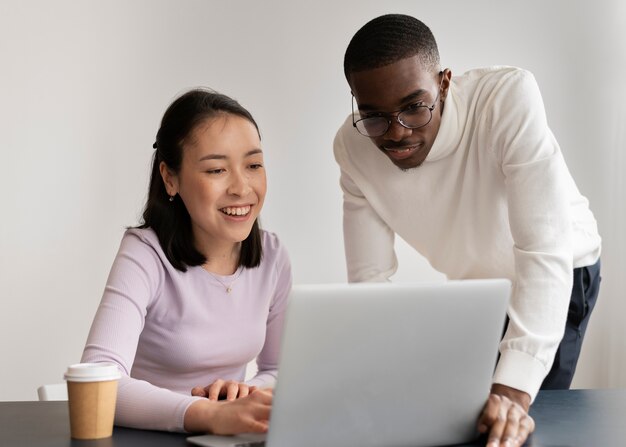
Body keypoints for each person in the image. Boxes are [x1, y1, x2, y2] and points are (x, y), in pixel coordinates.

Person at [333, 14, 601, 447]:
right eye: (375, 116)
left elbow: (543, 246)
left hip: (563, 270)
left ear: (443, 82)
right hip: (481, 288)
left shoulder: (506, 98)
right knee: (462, 424)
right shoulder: (351, 148)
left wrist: (513, 392)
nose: (397, 132)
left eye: (414, 107)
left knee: (513, 426)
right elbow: (369, 282)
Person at [81, 88, 292, 434]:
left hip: (230, 439)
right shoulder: (145, 253)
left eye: (253, 165)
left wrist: (245, 394)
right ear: (170, 178)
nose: (242, 187)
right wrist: (208, 414)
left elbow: (279, 370)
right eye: (216, 170)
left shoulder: (273, 256)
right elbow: (99, 379)